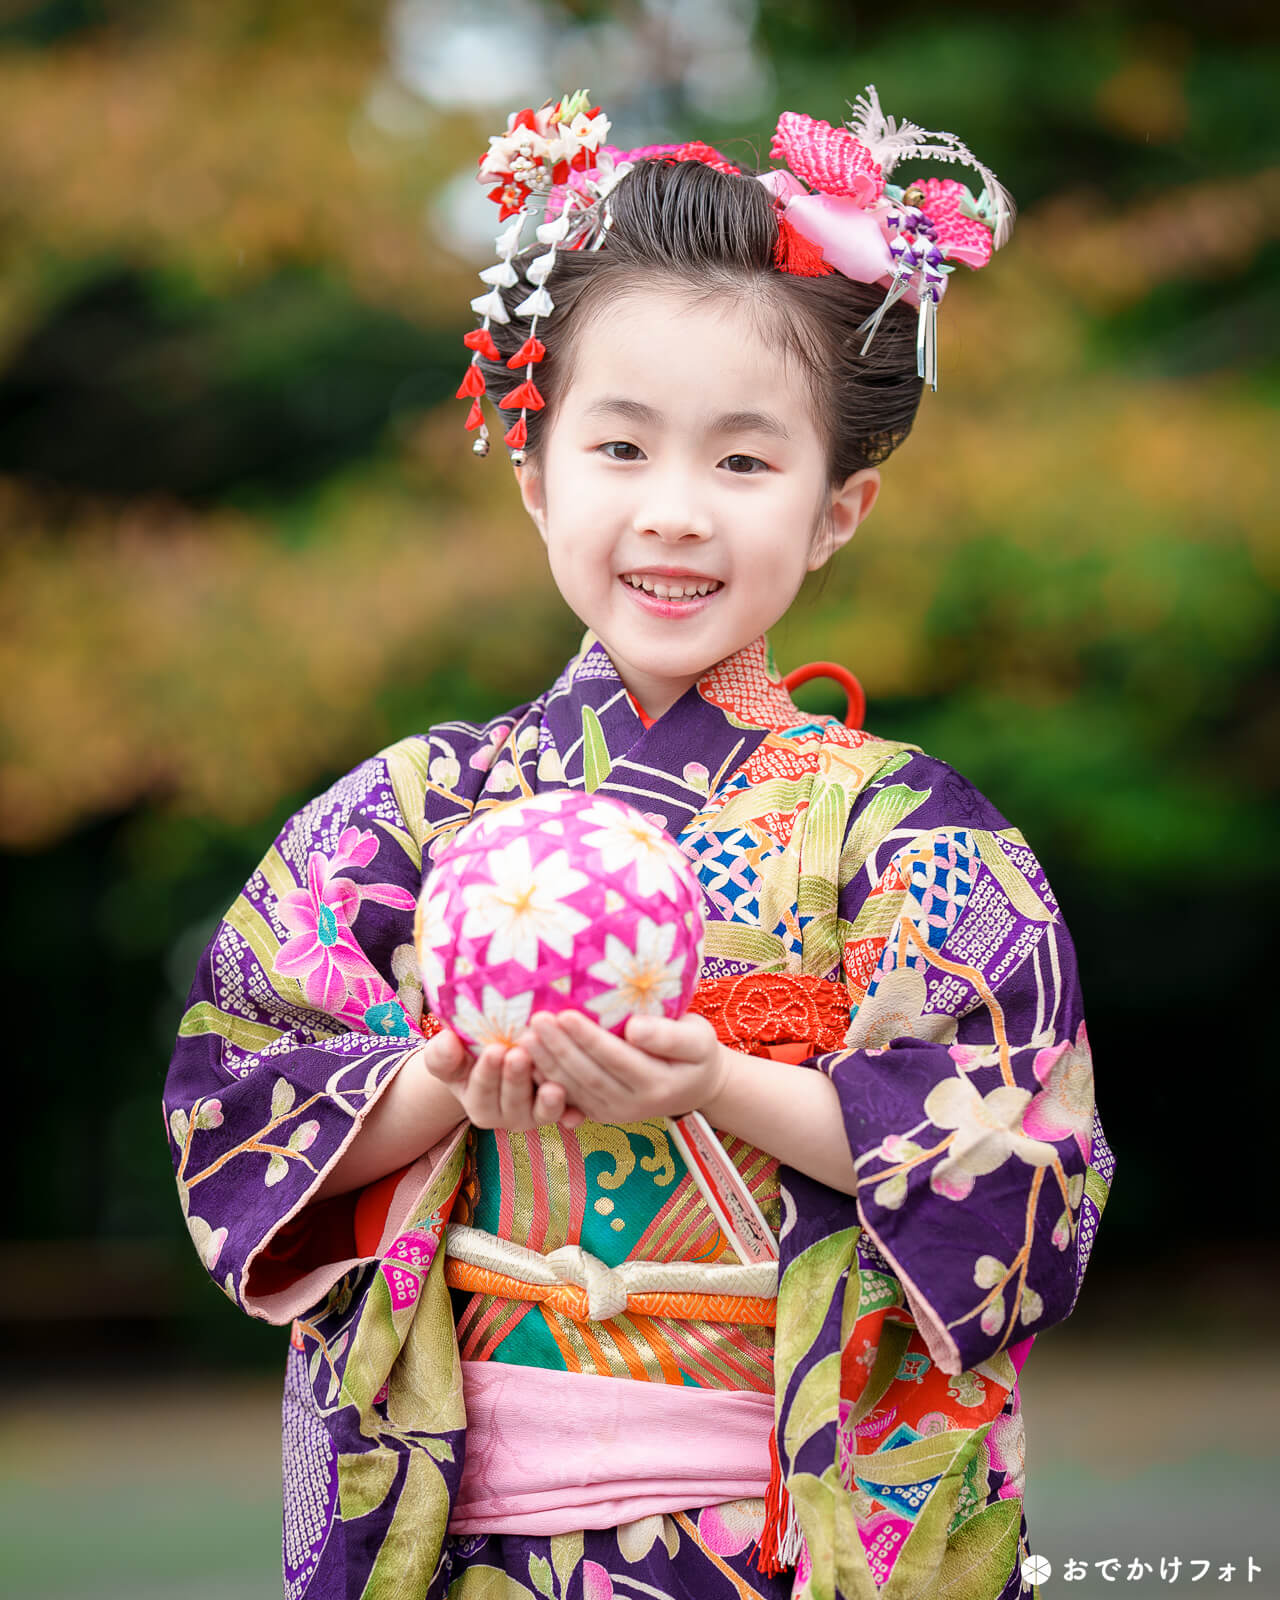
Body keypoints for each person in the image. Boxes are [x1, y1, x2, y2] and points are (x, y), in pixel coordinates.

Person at [164, 88, 1114, 1600]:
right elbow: (238, 1095)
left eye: (743, 464)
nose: (675, 514)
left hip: (773, 1528)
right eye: (621, 449)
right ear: (536, 473)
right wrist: (433, 1084)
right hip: (467, 1526)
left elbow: (1027, 1167)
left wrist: (722, 1084)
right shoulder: (409, 811)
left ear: (837, 511)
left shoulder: (907, 827)